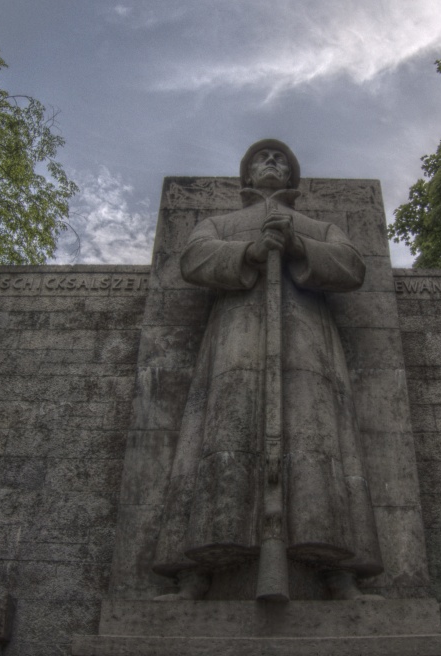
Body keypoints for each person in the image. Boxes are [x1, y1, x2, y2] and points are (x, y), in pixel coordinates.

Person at [151, 139, 383, 601]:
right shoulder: (219, 223)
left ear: (293, 176)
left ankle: (338, 572)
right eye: (262, 158)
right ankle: (196, 572)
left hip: (308, 352)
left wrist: (298, 244)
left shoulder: (320, 225)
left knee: (319, 447)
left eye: (281, 159)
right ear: (248, 176)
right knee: (219, 443)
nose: (272, 162)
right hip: (232, 351)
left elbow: (353, 267)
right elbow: (192, 260)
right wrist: (250, 252)